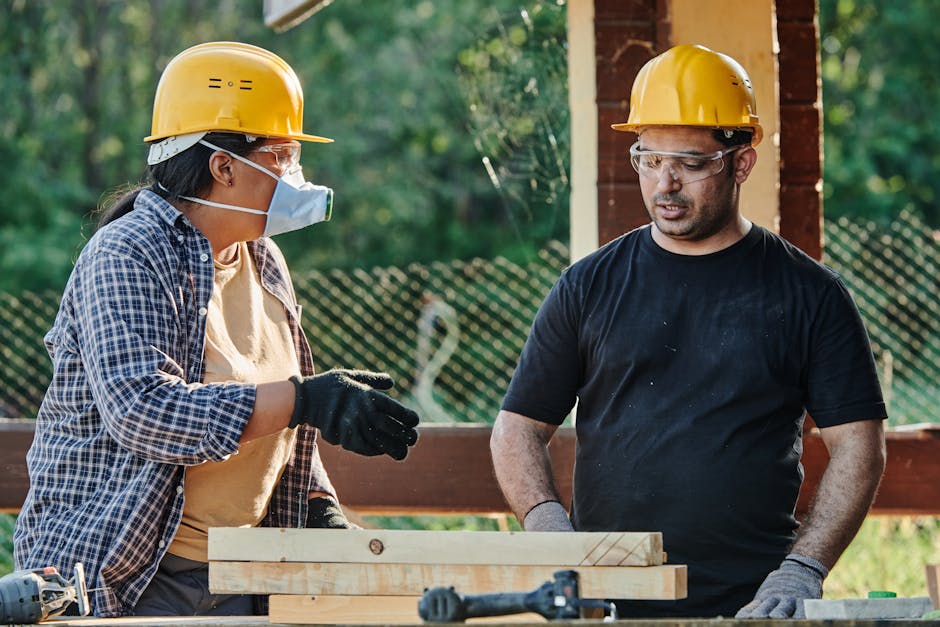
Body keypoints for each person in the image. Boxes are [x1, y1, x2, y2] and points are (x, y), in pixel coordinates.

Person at [14, 41, 420, 618]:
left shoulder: (265, 258)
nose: (294, 175)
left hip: (240, 567)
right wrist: (308, 400)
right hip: (130, 575)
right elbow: (141, 412)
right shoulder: (128, 253)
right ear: (223, 166)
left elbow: (281, 410)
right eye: (281, 155)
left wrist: (314, 501)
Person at [490, 44, 886, 619]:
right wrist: (551, 530)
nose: (665, 184)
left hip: (748, 607)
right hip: (605, 605)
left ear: (740, 163)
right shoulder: (587, 285)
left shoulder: (810, 295)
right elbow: (516, 429)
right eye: (649, 159)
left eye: (690, 163)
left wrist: (803, 569)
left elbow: (858, 446)